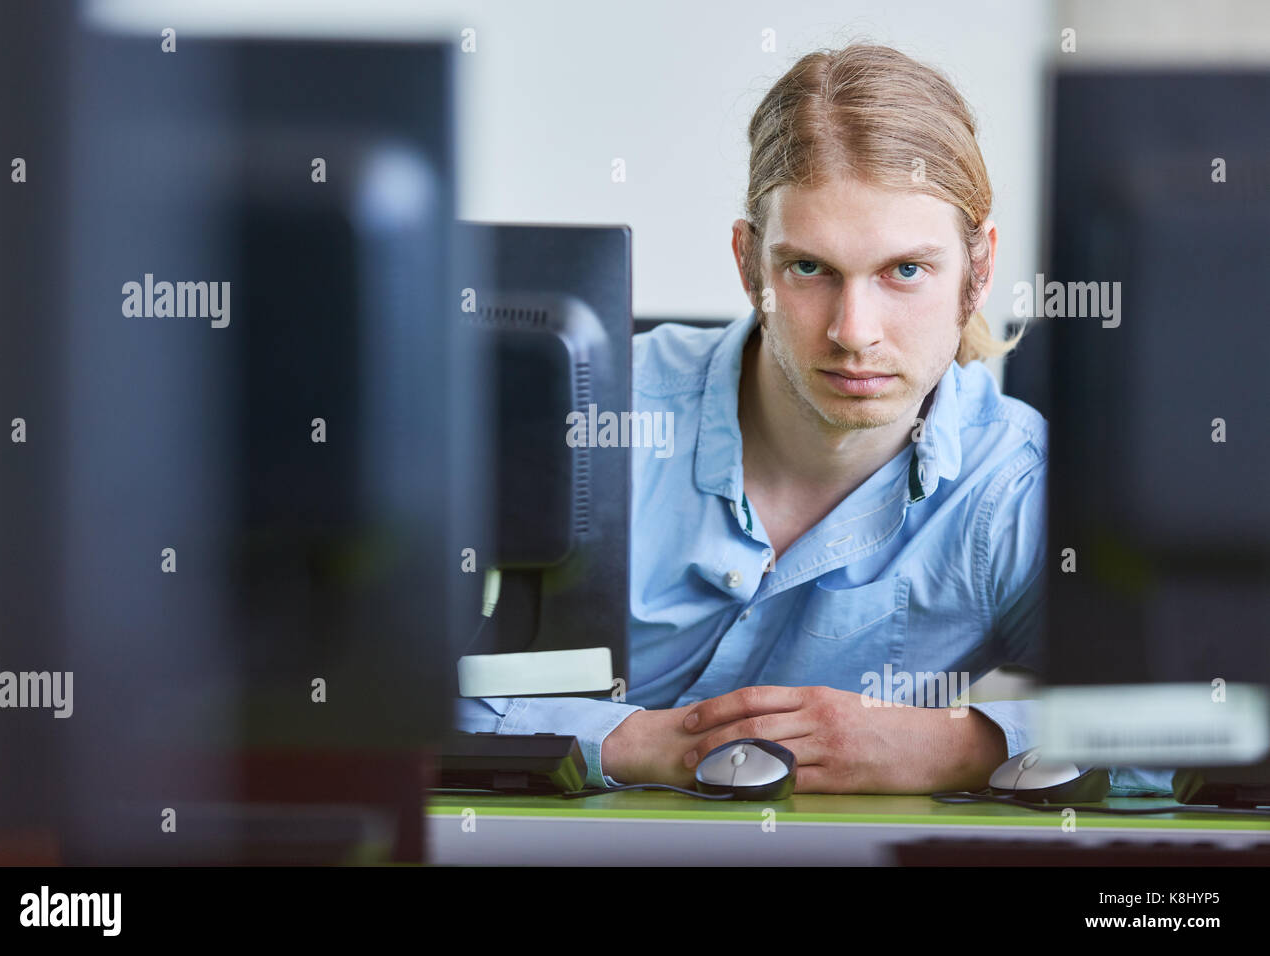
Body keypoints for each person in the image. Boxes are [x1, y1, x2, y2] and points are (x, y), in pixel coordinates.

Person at [457, 43, 1173, 796]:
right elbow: (367, 688)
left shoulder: (1014, 483)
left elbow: (1200, 723)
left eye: (905, 271)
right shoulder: (595, 415)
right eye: (810, 269)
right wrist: (638, 743)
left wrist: (955, 746)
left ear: (979, 270)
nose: (854, 330)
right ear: (748, 264)